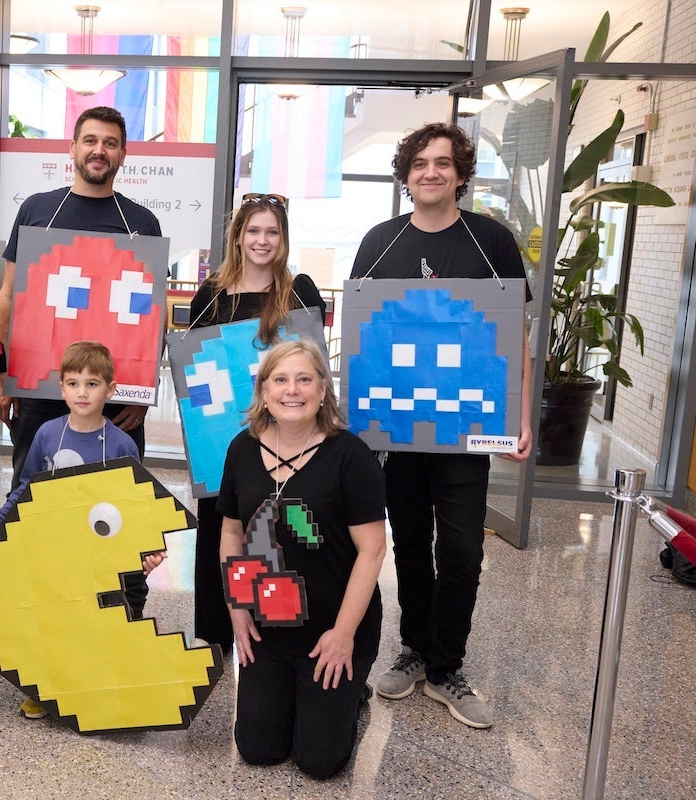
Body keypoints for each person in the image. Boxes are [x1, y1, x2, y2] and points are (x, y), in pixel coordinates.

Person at [350, 122, 533, 730]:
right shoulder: (379, 241)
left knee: (460, 549)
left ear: (461, 173)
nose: (432, 172)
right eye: (421, 163)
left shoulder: (491, 242)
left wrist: (520, 413)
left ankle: (447, 665)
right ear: (406, 175)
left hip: (464, 430)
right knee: (408, 545)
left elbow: (516, 337)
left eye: (444, 163)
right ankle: (413, 648)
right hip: (398, 432)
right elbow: (362, 338)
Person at [0, 106, 163, 638]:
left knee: (102, 498)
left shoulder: (140, 222)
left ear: (123, 153)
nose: (99, 150)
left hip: (105, 392)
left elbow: (148, 313)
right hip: (40, 384)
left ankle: (97, 596)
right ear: (72, 150)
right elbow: (8, 298)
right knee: (29, 488)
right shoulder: (39, 210)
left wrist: (139, 390)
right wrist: (2, 376)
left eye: (110, 142)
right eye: (89, 140)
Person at [218, 339, 386, 780]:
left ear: (323, 389)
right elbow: (232, 533)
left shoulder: (351, 457)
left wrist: (344, 634)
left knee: (319, 762)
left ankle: (352, 693)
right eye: (281, 379)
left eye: (304, 379)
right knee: (257, 749)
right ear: (264, 390)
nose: (293, 390)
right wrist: (238, 610)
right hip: (269, 626)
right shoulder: (241, 449)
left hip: (333, 627)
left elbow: (373, 551)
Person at [0, 340, 164, 719]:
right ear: (61, 388)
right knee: (56, 620)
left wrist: (148, 548)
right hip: (59, 552)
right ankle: (47, 687)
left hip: (102, 556)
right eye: (74, 383)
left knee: (101, 622)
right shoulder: (47, 434)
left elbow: (136, 505)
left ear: (110, 391)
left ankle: (103, 685)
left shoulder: (122, 444)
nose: (83, 392)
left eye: (93, 384)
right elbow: (26, 486)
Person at [188, 193, 326, 655]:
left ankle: (280, 632)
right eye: (253, 231)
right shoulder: (209, 296)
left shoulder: (300, 292)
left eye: (272, 232)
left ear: (283, 240)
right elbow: (194, 372)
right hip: (223, 446)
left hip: (285, 440)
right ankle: (215, 633)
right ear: (238, 236)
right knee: (218, 533)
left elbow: (311, 367)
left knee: (279, 533)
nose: (262, 240)